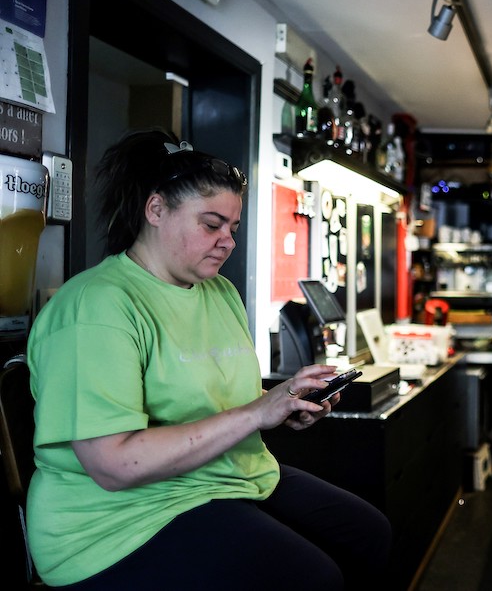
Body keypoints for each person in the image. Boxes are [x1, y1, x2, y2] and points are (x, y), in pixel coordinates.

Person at [26, 129, 390, 590]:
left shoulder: (220, 292)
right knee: (312, 577)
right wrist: (257, 412)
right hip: (117, 523)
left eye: (233, 229)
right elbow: (113, 465)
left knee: (367, 534)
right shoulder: (96, 308)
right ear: (155, 210)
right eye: (211, 224)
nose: (228, 242)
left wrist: (282, 405)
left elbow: (216, 402)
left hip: (222, 478)